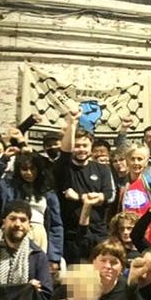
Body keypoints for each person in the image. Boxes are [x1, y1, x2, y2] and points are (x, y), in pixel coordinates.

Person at [54, 108, 115, 263]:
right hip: (72, 234)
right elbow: (65, 151)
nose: (81, 149)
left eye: (85, 145)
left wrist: (80, 197)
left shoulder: (102, 168)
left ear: (91, 146)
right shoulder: (64, 168)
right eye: (78, 145)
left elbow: (109, 195)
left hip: (98, 232)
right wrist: (73, 123)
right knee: (76, 279)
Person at [0, 200, 53, 300]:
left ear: (29, 225)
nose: (18, 224)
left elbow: (45, 295)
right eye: (13, 219)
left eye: (23, 220)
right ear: (3, 222)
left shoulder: (37, 255)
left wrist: (29, 292)